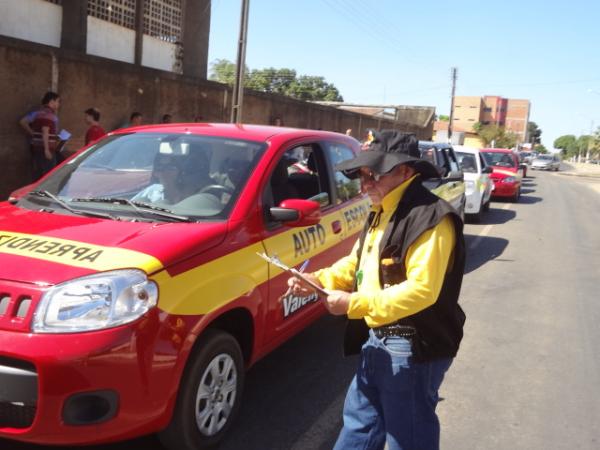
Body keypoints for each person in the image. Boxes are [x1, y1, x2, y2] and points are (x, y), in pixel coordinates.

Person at [288, 130, 466, 450]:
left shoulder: (431, 217)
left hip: (412, 346)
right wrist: (318, 279)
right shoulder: (381, 209)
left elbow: (423, 291)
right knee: (360, 426)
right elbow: (358, 264)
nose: (365, 183)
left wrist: (353, 304)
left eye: (374, 174)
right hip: (377, 339)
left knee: (407, 437)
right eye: (362, 174)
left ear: (405, 172)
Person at [19, 91, 61, 180]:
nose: (58, 104)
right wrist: (46, 149)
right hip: (45, 149)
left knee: (38, 175)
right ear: (51, 102)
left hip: (37, 148)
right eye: (57, 101)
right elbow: (45, 130)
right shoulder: (48, 115)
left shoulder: (38, 114)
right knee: (49, 177)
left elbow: (23, 122)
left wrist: (34, 134)